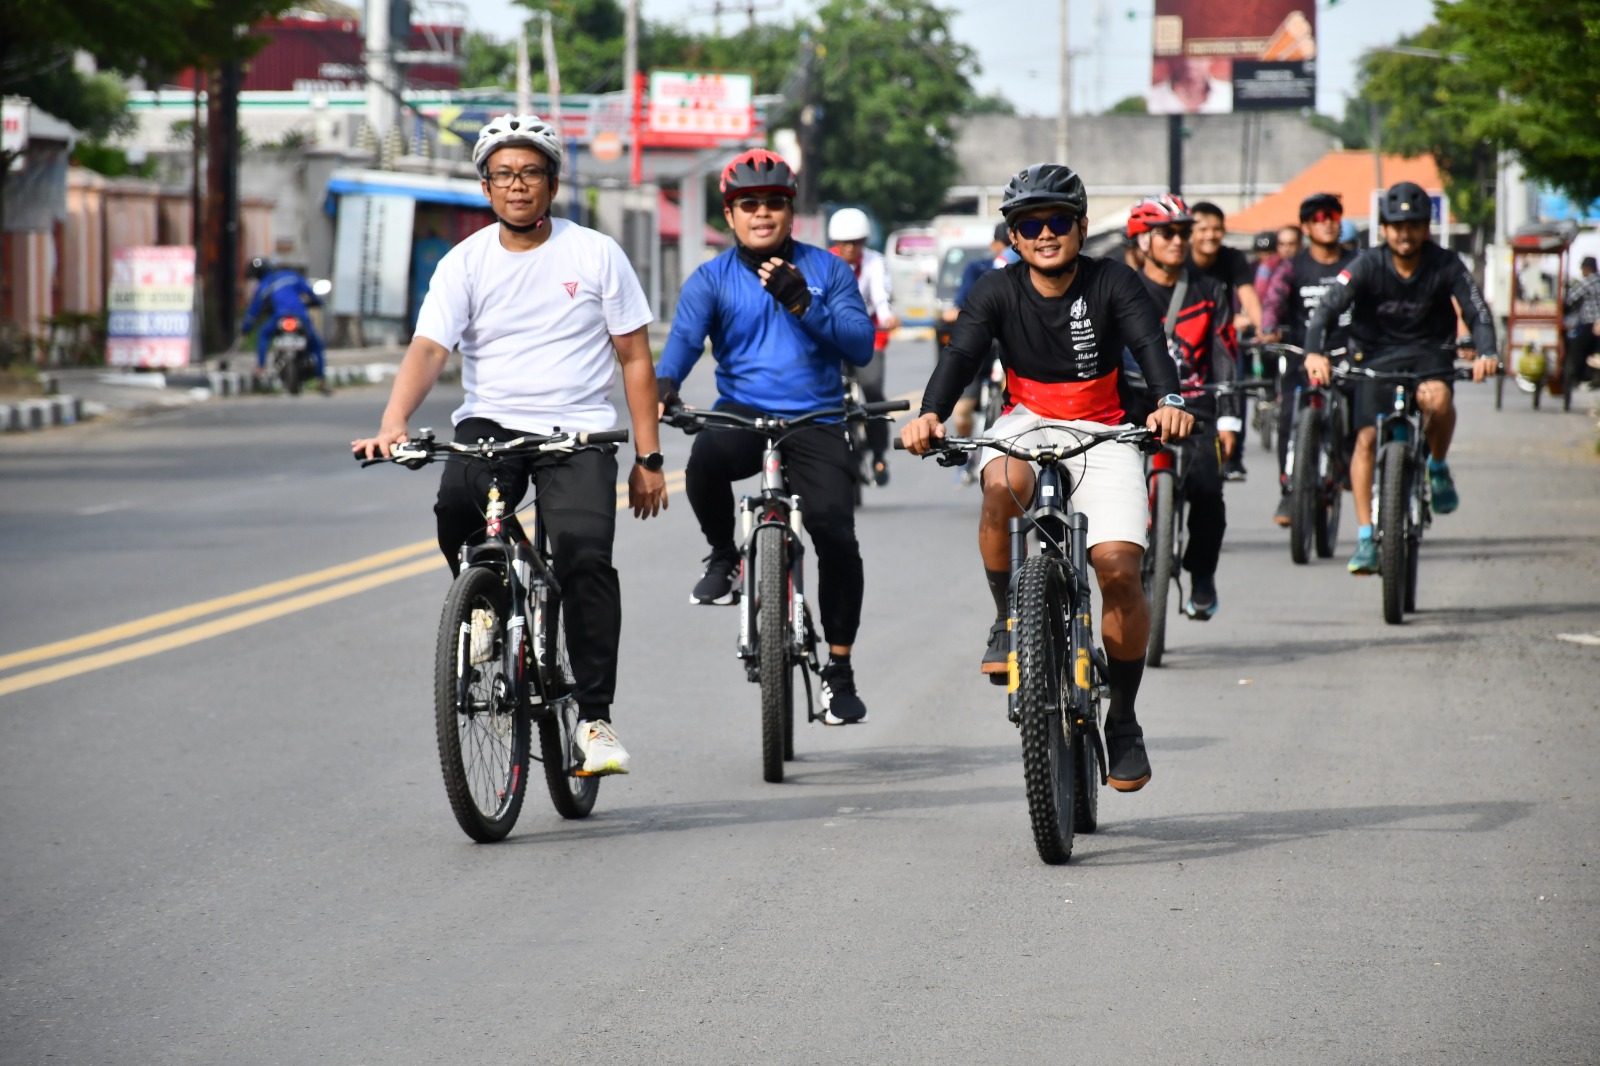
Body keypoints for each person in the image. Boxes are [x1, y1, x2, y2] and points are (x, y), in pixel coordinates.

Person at [351, 113, 667, 777]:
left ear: (552, 183)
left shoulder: (595, 253)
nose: (517, 185)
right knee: (454, 508)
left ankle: (595, 721)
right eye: (503, 175)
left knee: (584, 557)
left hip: (577, 430)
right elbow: (429, 348)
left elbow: (635, 357)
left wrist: (648, 458)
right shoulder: (464, 262)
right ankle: (487, 604)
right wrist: (393, 422)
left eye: (529, 173)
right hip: (491, 425)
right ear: (486, 187)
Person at [900, 164, 1196, 793]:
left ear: (1081, 227)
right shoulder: (994, 289)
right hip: (1026, 420)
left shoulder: (1113, 280)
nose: (1045, 233)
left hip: (1105, 427)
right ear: (1012, 236)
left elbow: (1150, 347)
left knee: (1119, 570)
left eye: (1058, 220)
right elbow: (961, 355)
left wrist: (1168, 401)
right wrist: (929, 413)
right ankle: (1006, 619)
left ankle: (1124, 718)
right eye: (1029, 224)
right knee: (1000, 485)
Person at [655, 149, 877, 726]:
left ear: (791, 211)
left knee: (836, 534)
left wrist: (803, 302)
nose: (761, 213)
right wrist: (664, 385)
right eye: (747, 204)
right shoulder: (711, 278)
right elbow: (683, 341)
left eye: (774, 203)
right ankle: (725, 557)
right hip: (744, 412)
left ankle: (839, 670)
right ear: (730, 215)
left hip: (816, 418)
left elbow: (860, 345)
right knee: (703, 462)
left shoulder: (829, 269)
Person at [1304, 181, 1499, 575]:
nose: (1405, 234)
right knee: (1365, 440)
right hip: (1375, 356)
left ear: (1426, 228)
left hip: (1430, 355)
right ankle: (1365, 538)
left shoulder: (1446, 264)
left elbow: (1476, 311)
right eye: (1396, 226)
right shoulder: (1366, 264)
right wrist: (1314, 352)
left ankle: (1437, 467)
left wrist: (1487, 351)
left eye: (1413, 225)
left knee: (1438, 401)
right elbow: (1326, 309)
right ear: (1384, 229)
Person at [1128, 194, 1241, 621]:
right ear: (1143, 241)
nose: (1178, 241)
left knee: (1209, 491)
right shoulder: (1123, 290)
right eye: (1167, 233)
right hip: (1133, 405)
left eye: (1183, 233)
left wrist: (1229, 417)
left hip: (1196, 406)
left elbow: (1226, 353)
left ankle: (1202, 574)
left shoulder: (1209, 290)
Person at [1259, 192, 1359, 526]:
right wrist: (1269, 327)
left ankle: (1348, 463)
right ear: (1305, 227)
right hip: (1304, 357)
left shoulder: (1357, 263)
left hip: (1349, 356)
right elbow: (1273, 300)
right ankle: (1290, 489)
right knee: (1289, 416)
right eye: (1318, 218)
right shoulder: (1292, 267)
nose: (1327, 223)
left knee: (1363, 412)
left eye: (1333, 216)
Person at [1189, 201, 1260, 479]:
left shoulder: (1232, 258)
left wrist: (1258, 325)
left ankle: (1234, 457)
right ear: (1190, 232)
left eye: (1217, 229)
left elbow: (1249, 297)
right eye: (1203, 228)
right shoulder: (1179, 259)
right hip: (1186, 338)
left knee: (1234, 380)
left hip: (1221, 337)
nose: (1210, 235)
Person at [828, 206, 900, 484]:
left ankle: (879, 454)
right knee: (822, 392)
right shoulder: (824, 261)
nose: (850, 248)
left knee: (872, 389)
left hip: (868, 334)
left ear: (865, 241)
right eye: (844, 242)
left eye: (856, 242)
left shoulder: (874, 262)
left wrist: (887, 317)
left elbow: (880, 296)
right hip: (832, 335)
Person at [242, 257, 326, 390]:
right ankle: (321, 380)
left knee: (263, 334)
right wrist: (319, 302)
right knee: (316, 345)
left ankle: (261, 367)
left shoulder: (264, 285)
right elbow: (310, 293)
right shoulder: (292, 276)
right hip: (300, 316)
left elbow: (253, 311)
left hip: (279, 317)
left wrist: (246, 328)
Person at [1562, 256, 1599, 389]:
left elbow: (1571, 297)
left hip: (1590, 323)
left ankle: (1581, 376)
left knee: (1577, 348)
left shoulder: (1588, 281)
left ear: (1586, 269)